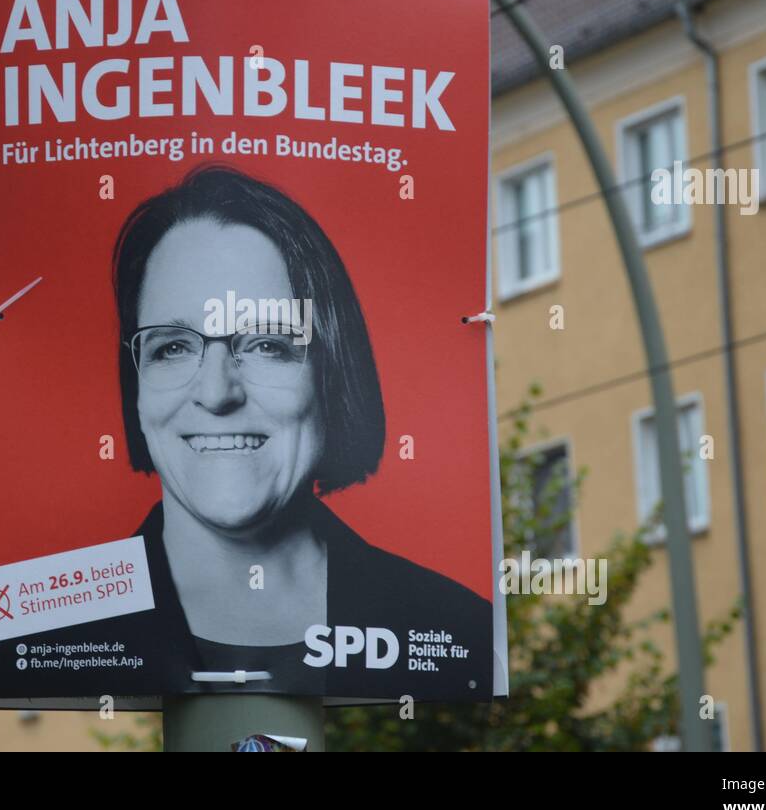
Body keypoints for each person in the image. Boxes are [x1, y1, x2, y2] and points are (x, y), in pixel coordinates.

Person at [100, 164, 492, 700]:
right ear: (136, 384)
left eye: (268, 345)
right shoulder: (44, 632)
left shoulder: (455, 630)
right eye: (173, 346)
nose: (217, 394)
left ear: (331, 372)